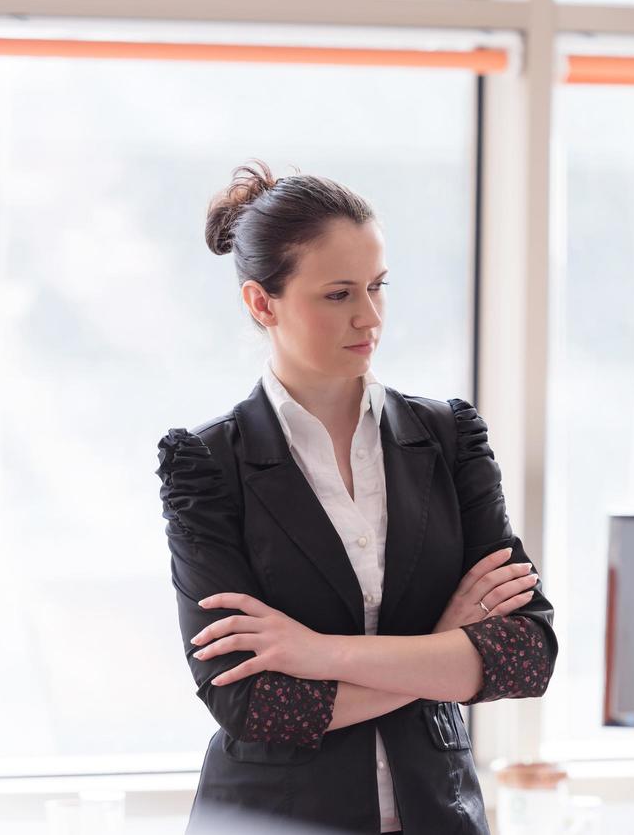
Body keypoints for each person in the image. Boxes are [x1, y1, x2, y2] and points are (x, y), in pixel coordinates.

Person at [155, 161, 557, 834]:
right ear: (262, 303)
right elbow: (253, 704)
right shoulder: (206, 465)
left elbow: (524, 655)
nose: (368, 317)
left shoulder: (449, 437)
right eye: (338, 294)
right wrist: (441, 649)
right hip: (274, 821)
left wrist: (318, 653)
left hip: (439, 815)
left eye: (377, 287)